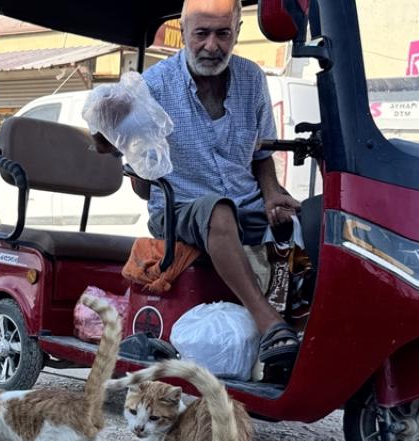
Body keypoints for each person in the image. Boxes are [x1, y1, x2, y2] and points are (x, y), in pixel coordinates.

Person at [99, 0, 302, 370]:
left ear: (237, 32)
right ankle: (270, 324)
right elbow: (123, 159)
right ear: (183, 31)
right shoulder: (154, 86)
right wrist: (109, 133)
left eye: (223, 34)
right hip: (178, 211)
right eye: (202, 34)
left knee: (315, 219)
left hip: (246, 207)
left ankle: (303, 330)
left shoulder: (252, 79)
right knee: (218, 211)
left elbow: (261, 156)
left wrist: (273, 193)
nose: (212, 46)